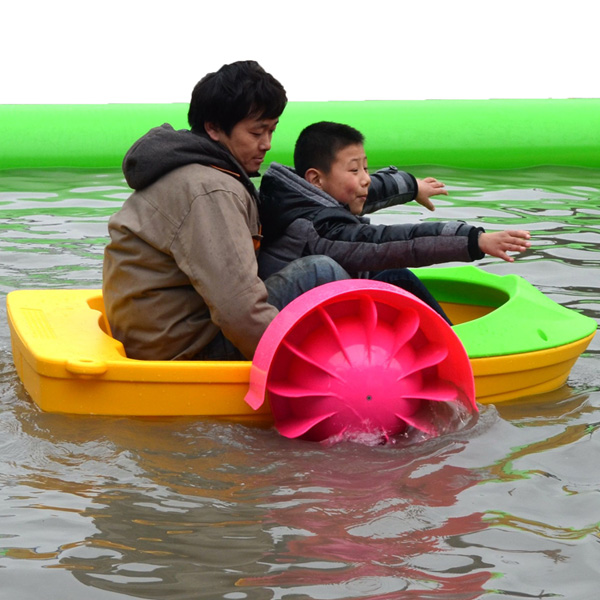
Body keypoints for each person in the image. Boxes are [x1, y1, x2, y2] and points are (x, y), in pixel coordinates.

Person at [102, 62, 349, 362]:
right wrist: (301, 369)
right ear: (213, 128)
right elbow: (238, 311)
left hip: (159, 333)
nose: (267, 144)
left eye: (272, 130)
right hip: (183, 349)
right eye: (257, 132)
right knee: (320, 272)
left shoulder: (189, 168)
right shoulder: (211, 189)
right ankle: (359, 366)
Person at [258, 121, 531, 321]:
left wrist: (413, 186)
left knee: (391, 278)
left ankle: (446, 337)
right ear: (315, 178)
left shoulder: (297, 195)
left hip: (307, 305)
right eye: (355, 169)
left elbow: (369, 189)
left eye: (365, 166)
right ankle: (454, 352)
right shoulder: (318, 228)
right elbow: (390, 243)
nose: (365, 176)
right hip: (288, 319)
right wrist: (474, 240)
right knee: (395, 276)